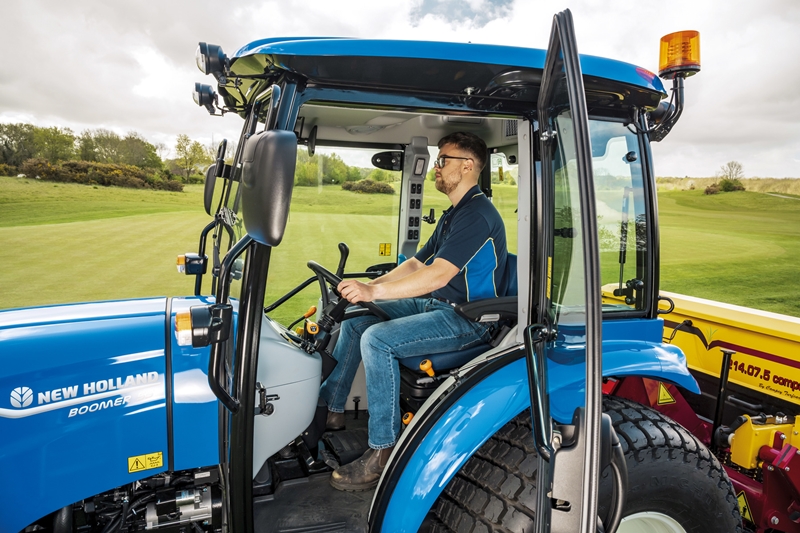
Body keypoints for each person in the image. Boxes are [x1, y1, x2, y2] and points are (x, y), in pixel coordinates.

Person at [319, 131, 510, 491]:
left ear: (467, 166)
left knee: (377, 339)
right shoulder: (456, 213)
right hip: (437, 305)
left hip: (469, 319)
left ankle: (383, 451)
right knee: (358, 319)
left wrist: (374, 290)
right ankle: (330, 410)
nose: (437, 167)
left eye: (443, 159)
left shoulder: (477, 215)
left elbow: (438, 274)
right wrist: (367, 292)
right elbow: (415, 264)